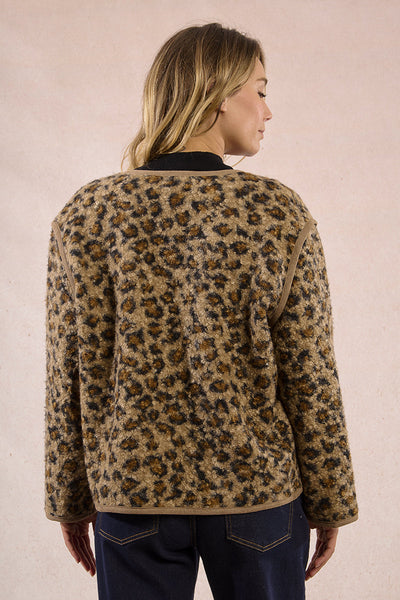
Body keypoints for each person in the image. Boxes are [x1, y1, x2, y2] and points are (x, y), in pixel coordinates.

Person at [44, 22, 358, 600]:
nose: (268, 111)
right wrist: (331, 499)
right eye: (260, 90)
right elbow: (310, 370)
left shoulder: (88, 214)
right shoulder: (276, 212)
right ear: (217, 94)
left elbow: (69, 370)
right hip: (257, 493)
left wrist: (69, 498)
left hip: (132, 493)